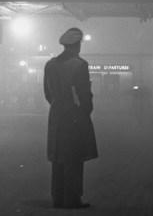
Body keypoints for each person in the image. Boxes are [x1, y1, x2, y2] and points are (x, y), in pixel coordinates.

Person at [44, 28, 98, 209]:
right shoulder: (80, 65)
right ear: (77, 45)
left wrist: (57, 105)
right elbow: (84, 94)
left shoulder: (50, 65)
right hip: (74, 116)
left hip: (56, 115)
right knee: (74, 158)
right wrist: (85, 111)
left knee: (58, 158)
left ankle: (57, 198)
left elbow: (47, 93)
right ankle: (73, 199)